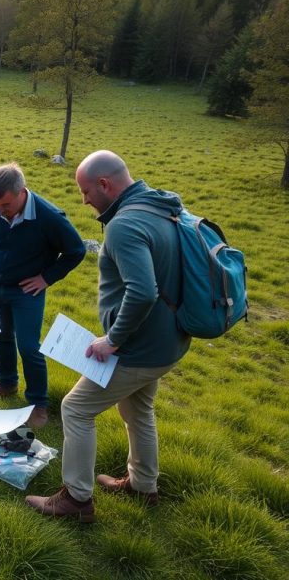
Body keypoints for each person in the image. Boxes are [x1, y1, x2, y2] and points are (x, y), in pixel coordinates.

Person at [26, 150, 192, 522]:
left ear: (105, 184)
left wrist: (113, 339)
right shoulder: (162, 207)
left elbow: (143, 291)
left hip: (140, 348)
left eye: (86, 191)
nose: (84, 200)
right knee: (137, 408)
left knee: (75, 408)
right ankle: (143, 486)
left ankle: (76, 500)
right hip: (168, 341)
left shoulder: (125, 225)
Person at [0, 162, 86, 427]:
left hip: (26, 292)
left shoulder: (49, 217)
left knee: (29, 346)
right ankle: (7, 383)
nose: (0, 210)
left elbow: (76, 251)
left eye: (6, 205)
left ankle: (38, 404)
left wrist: (46, 278)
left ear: (22, 192)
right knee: (0, 335)